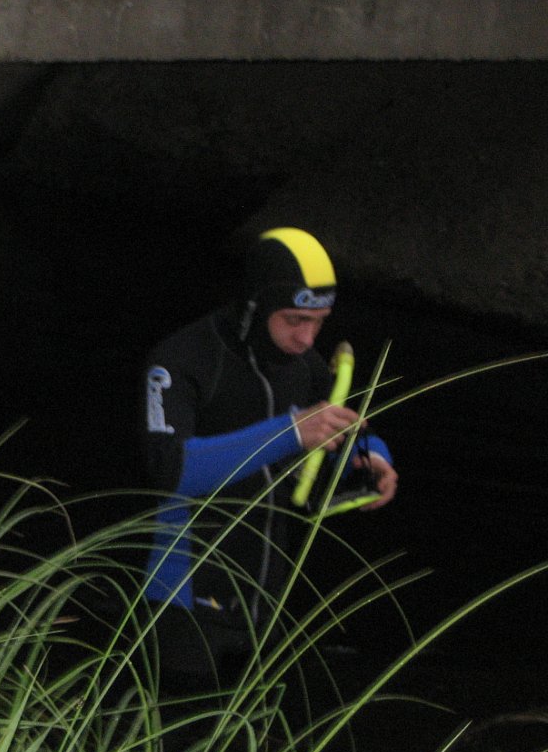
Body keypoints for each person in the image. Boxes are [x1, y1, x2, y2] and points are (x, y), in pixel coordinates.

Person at [139, 227, 398, 687]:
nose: (307, 337)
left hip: (263, 601)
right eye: (295, 320)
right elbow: (170, 469)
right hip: (181, 599)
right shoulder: (181, 360)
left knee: (256, 731)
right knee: (174, 729)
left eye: (319, 322)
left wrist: (373, 458)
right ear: (255, 305)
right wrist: (290, 432)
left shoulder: (304, 365)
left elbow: (344, 428)